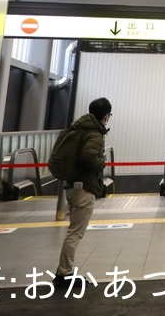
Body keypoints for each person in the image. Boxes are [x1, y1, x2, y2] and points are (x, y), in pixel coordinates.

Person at [55, 97, 112, 284]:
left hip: (71, 186)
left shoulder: (77, 128)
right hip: (83, 188)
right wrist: (102, 162)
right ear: (105, 116)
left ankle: (64, 270)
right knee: (75, 233)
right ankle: (64, 273)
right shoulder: (94, 134)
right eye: (109, 115)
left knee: (73, 231)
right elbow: (89, 157)